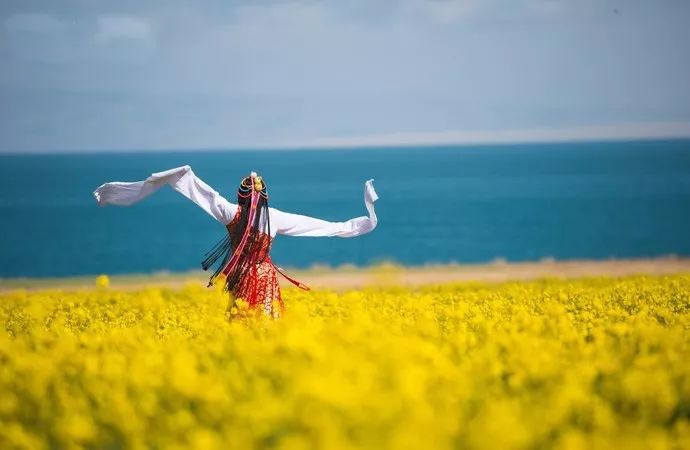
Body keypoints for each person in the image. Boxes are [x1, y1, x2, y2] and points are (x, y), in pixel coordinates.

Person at [93, 165, 379, 319]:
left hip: (240, 276)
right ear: (265, 197)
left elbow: (202, 193)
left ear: (241, 196)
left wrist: (179, 175)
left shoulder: (231, 212)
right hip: (264, 277)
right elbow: (322, 227)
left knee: (239, 321)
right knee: (266, 322)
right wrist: (360, 222)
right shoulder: (275, 218)